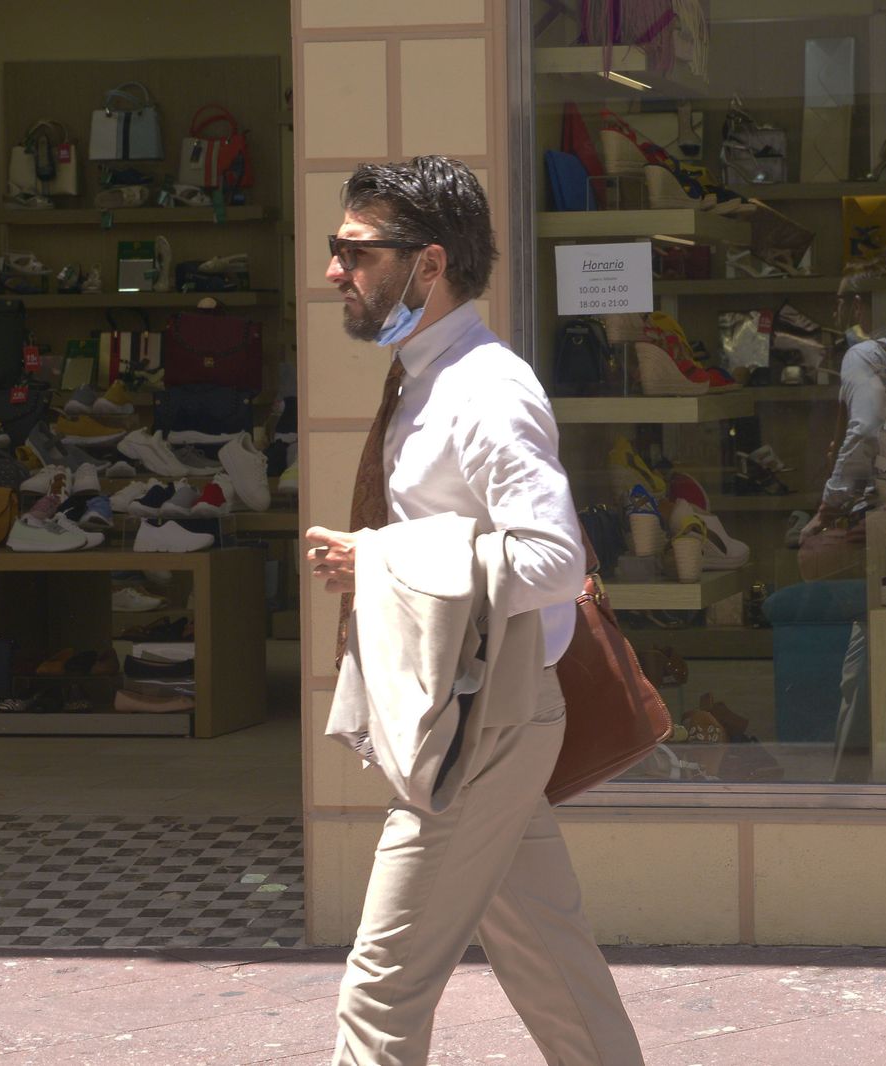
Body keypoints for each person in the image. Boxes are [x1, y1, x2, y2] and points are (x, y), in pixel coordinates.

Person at [304, 156, 645, 1066]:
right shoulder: (426, 376)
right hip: (479, 709)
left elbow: (552, 559)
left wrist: (381, 558)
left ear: (430, 264)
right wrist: (384, 568)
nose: (335, 270)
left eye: (355, 250)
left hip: (483, 722)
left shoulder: (486, 389)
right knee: (552, 964)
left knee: (382, 988)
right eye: (337, 249)